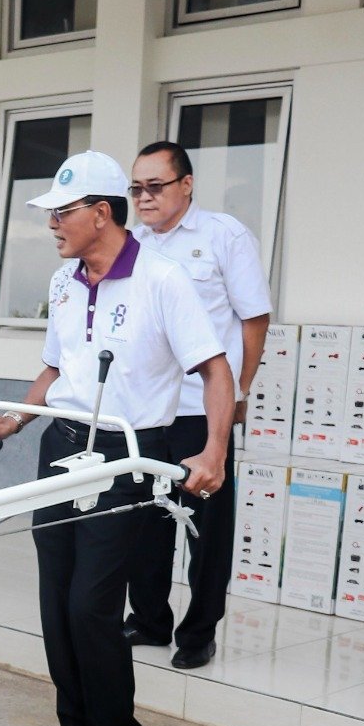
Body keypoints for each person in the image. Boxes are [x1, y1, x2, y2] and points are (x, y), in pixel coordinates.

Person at [0, 151, 231, 726]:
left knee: (92, 604)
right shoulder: (64, 282)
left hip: (125, 456)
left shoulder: (162, 279)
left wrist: (214, 451)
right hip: (61, 447)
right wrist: (16, 419)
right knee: (56, 601)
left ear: (99, 212)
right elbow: (57, 367)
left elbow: (215, 368)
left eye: (61, 213)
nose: (51, 225)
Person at [124, 141, 272, 670]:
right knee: (146, 523)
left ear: (186, 185)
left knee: (206, 528)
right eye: (136, 189)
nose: (144, 198)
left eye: (155, 186)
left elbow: (254, 318)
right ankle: (149, 619)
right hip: (148, 409)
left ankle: (199, 631)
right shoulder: (133, 244)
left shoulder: (223, 236)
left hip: (201, 408)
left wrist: (239, 393)